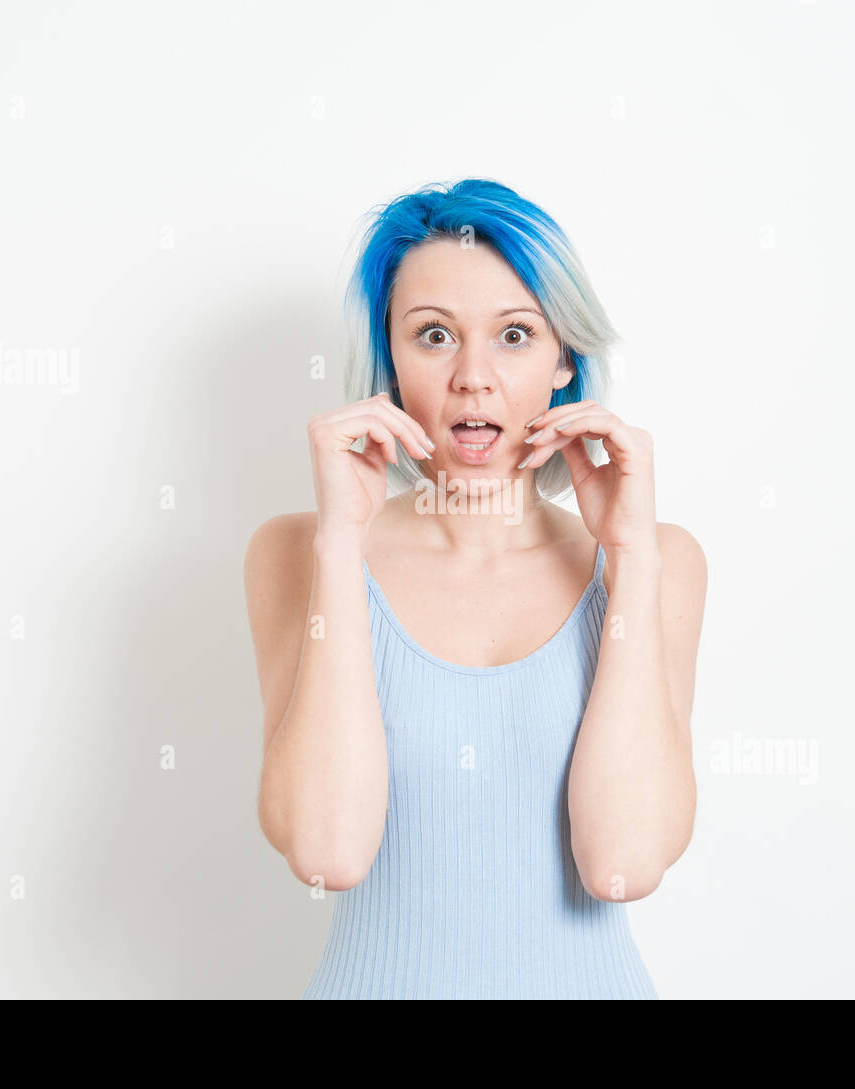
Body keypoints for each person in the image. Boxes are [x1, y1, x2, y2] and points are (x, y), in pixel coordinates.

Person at [244, 179, 707, 998]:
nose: (473, 377)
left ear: (564, 360)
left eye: (516, 335)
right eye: (433, 335)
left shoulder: (658, 560)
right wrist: (342, 538)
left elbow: (624, 863)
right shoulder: (298, 553)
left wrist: (629, 552)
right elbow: (328, 851)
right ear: (388, 361)